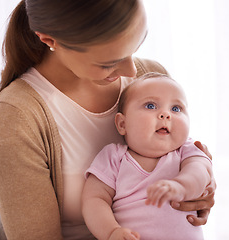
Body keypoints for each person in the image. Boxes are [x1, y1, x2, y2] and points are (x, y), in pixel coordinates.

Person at [0, 0, 216, 239]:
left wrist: (200, 187)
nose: (132, 71)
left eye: (136, 46)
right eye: (108, 63)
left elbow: (182, 163)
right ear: (50, 40)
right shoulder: (17, 117)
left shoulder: (151, 80)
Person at [82, 73, 212, 240]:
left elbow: (200, 173)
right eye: (151, 106)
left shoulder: (187, 150)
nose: (166, 114)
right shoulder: (114, 157)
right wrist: (111, 232)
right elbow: (94, 200)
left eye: (176, 108)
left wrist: (181, 186)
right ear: (123, 124)